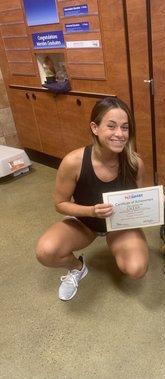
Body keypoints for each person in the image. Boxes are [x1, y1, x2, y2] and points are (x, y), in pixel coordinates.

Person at [35, 97, 149, 301]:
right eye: (111, 126)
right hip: (85, 223)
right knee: (46, 251)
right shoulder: (73, 162)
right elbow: (59, 204)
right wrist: (91, 211)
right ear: (95, 128)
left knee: (137, 268)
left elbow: (140, 200)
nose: (120, 134)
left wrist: (158, 204)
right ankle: (78, 268)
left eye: (125, 127)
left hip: (119, 224)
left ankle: (120, 244)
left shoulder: (135, 163)